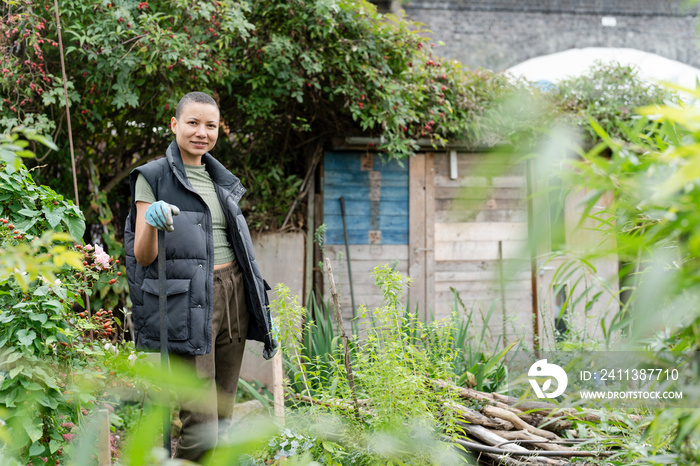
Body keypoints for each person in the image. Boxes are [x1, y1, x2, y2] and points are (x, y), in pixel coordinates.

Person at [124, 91, 277, 462]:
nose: (201, 133)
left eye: (210, 125)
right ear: (175, 125)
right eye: (192, 123)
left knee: (223, 413)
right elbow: (143, 256)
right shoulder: (153, 177)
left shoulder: (221, 180)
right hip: (186, 302)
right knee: (201, 418)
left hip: (233, 293)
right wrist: (153, 222)